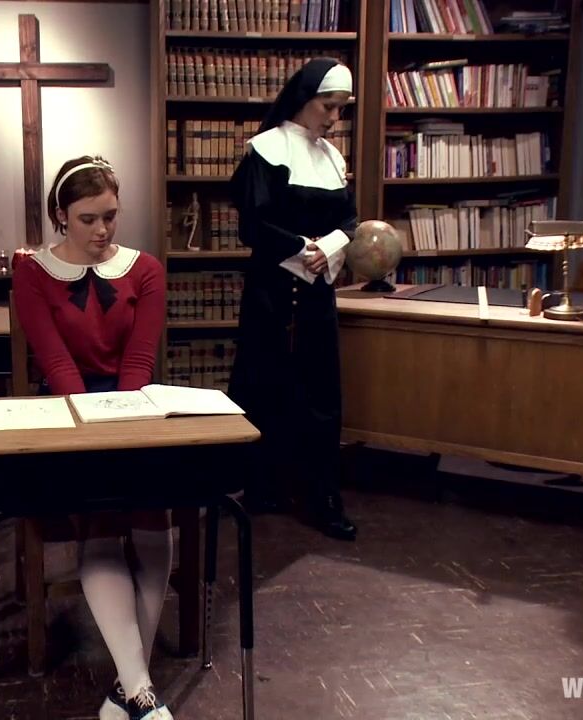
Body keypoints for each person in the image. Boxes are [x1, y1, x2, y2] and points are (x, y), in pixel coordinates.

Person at [12, 156, 173, 720]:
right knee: (101, 520)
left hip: (132, 406)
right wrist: (92, 426)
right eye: (88, 219)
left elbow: (140, 358)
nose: (102, 230)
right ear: (61, 215)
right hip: (69, 411)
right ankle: (142, 692)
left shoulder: (145, 269)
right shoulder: (33, 272)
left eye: (110, 216)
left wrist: (122, 422)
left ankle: (129, 688)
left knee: (154, 519)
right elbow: (56, 362)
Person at [227, 58, 358, 542]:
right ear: (304, 98)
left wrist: (331, 247)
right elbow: (252, 225)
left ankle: (323, 496)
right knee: (264, 384)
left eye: (341, 108)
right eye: (329, 106)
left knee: (321, 393)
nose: (334, 118)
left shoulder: (332, 158)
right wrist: (305, 249)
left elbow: (350, 221)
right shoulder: (266, 149)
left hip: (318, 292)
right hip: (272, 290)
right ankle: (260, 485)